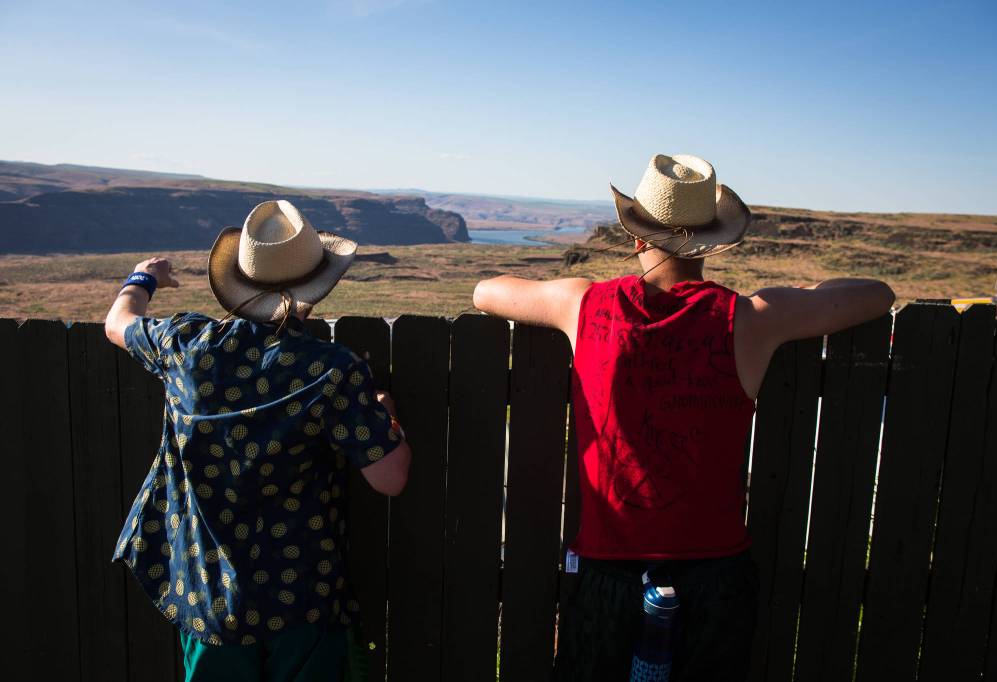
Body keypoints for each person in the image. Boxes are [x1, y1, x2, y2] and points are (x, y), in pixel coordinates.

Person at [473, 154, 895, 682]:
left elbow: (485, 290)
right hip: (716, 575)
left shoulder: (582, 304)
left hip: (608, 569)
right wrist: (805, 293)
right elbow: (877, 294)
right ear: (713, 243)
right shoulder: (753, 319)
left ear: (635, 236)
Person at [104, 200, 411, 681]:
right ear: (318, 282)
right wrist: (385, 415)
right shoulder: (330, 371)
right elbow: (391, 478)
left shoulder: (185, 346)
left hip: (207, 599)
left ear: (239, 280)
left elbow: (117, 324)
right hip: (302, 602)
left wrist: (142, 277)